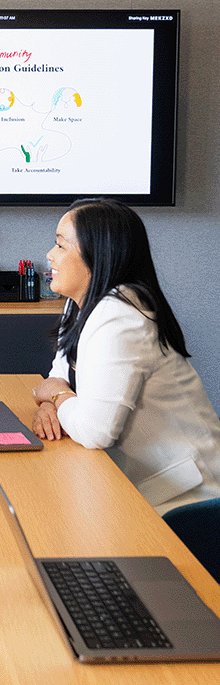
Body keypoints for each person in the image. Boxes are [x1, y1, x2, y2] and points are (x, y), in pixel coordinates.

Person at [32, 197, 220, 514]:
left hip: (189, 499)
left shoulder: (119, 316)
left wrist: (60, 397)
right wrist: (52, 402)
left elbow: (94, 431)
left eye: (61, 246)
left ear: (99, 256)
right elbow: (59, 374)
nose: (50, 256)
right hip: (136, 482)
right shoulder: (83, 303)